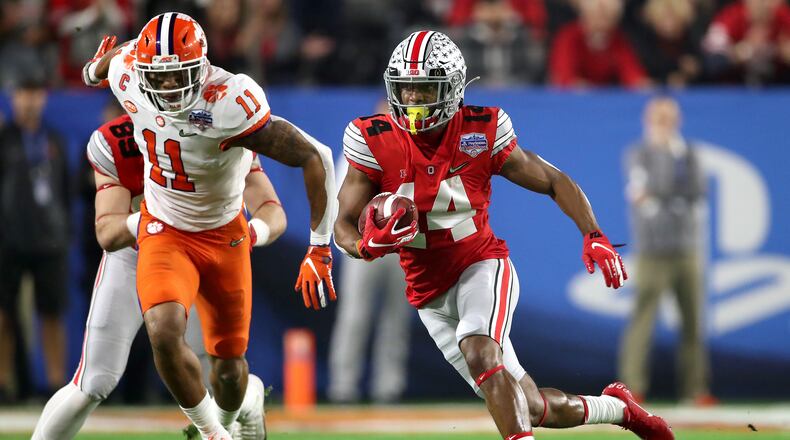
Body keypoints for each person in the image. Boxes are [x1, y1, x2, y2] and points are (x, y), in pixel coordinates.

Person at [334, 30, 673, 440]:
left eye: (425, 91)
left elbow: (552, 180)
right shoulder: (372, 138)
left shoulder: (482, 130)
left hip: (481, 265)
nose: (412, 102)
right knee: (530, 405)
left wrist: (593, 233)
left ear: (453, 89)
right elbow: (343, 222)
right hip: (428, 296)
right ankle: (620, 409)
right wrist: (362, 245)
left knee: (479, 348)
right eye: (406, 90)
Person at [81, 12, 336, 439]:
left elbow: (317, 156)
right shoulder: (129, 73)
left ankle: (243, 406)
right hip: (163, 228)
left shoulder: (230, 101)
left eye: (175, 75)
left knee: (229, 371)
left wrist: (320, 246)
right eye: (156, 77)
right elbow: (115, 60)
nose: (164, 87)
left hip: (224, 235)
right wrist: (92, 70)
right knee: (163, 330)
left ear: (200, 67)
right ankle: (212, 433)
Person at [31, 113, 292, 439]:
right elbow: (107, 231)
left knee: (220, 372)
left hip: (206, 252)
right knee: (94, 382)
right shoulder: (117, 141)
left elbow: (272, 210)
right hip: (137, 252)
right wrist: (155, 223)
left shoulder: (219, 120)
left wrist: (251, 234)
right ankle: (224, 424)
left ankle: (247, 401)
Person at [620, 97, 713, 406]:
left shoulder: (689, 153)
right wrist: (669, 197)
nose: (663, 125)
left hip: (687, 248)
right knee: (643, 318)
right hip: (652, 250)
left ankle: (695, 389)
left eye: (668, 118)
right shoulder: (639, 153)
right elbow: (644, 197)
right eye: (658, 118)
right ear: (648, 121)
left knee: (693, 320)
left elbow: (698, 194)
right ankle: (633, 388)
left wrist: (663, 200)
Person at [0, 76, 70, 402]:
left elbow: (65, 192)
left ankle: (56, 384)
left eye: (35, 92)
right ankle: (4, 383)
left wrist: (63, 232)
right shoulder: (4, 139)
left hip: (49, 242)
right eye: (23, 92)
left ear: (44, 97)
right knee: (3, 315)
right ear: (13, 97)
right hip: (8, 241)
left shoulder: (53, 139)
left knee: (52, 314)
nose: (29, 101)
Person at [328, 153, 411, 404]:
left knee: (397, 316)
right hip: (363, 242)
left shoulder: (413, 149)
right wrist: (357, 241)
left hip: (403, 246)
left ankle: (389, 386)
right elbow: (341, 202)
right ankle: (343, 386)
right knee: (354, 314)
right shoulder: (359, 149)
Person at [549, 0, 649, 88]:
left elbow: (633, 75)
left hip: (604, 101)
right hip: (573, 103)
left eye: (607, 17)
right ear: (584, 15)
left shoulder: (618, 40)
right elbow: (563, 77)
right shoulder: (568, 37)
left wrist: (643, 85)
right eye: (596, 15)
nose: (601, 22)